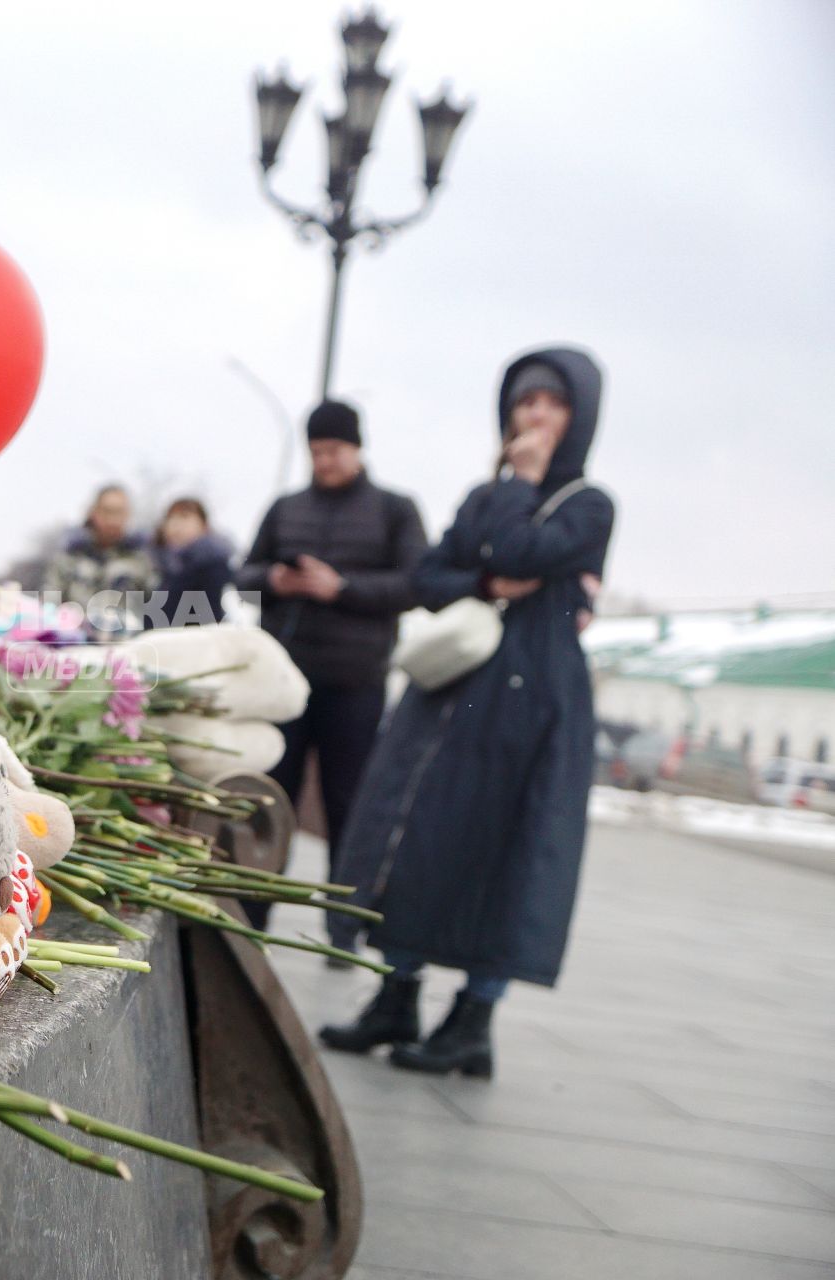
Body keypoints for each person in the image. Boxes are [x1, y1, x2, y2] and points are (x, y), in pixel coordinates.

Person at [320, 347, 616, 1080]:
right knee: (419, 831)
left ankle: (474, 1018)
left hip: (532, 699)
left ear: (577, 418)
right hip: (456, 693)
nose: (533, 415)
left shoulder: (588, 503)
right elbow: (431, 572)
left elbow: (529, 544)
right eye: (524, 402)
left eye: (550, 403)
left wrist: (519, 487)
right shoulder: (486, 495)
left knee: (504, 844)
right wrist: (488, 576)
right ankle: (398, 992)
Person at [236, 401, 427, 936]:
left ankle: (344, 922)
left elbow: (417, 583)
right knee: (273, 800)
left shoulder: (395, 509)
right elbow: (243, 575)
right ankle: (253, 920)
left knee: (350, 802)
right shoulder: (286, 507)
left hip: (355, 680)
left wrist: (342, 588)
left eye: (334, 451)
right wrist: (275, 580)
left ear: (358, 448)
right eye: (316, 451)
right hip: (284, 683)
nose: (324, 461)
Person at [44, 484, 155, 635]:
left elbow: (154, 609)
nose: (113, 520)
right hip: (75, 645)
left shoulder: (142, 560)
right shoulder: (69, 557)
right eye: (107, 512)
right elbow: (50, 602)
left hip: (127, 647)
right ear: (93, 513)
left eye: (119, 513)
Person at [147, 497, 234, 626]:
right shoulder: (158, 567)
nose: (176, 524)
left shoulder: (214, 566)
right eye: (171, 518)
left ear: (204, 526)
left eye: (184, 517)